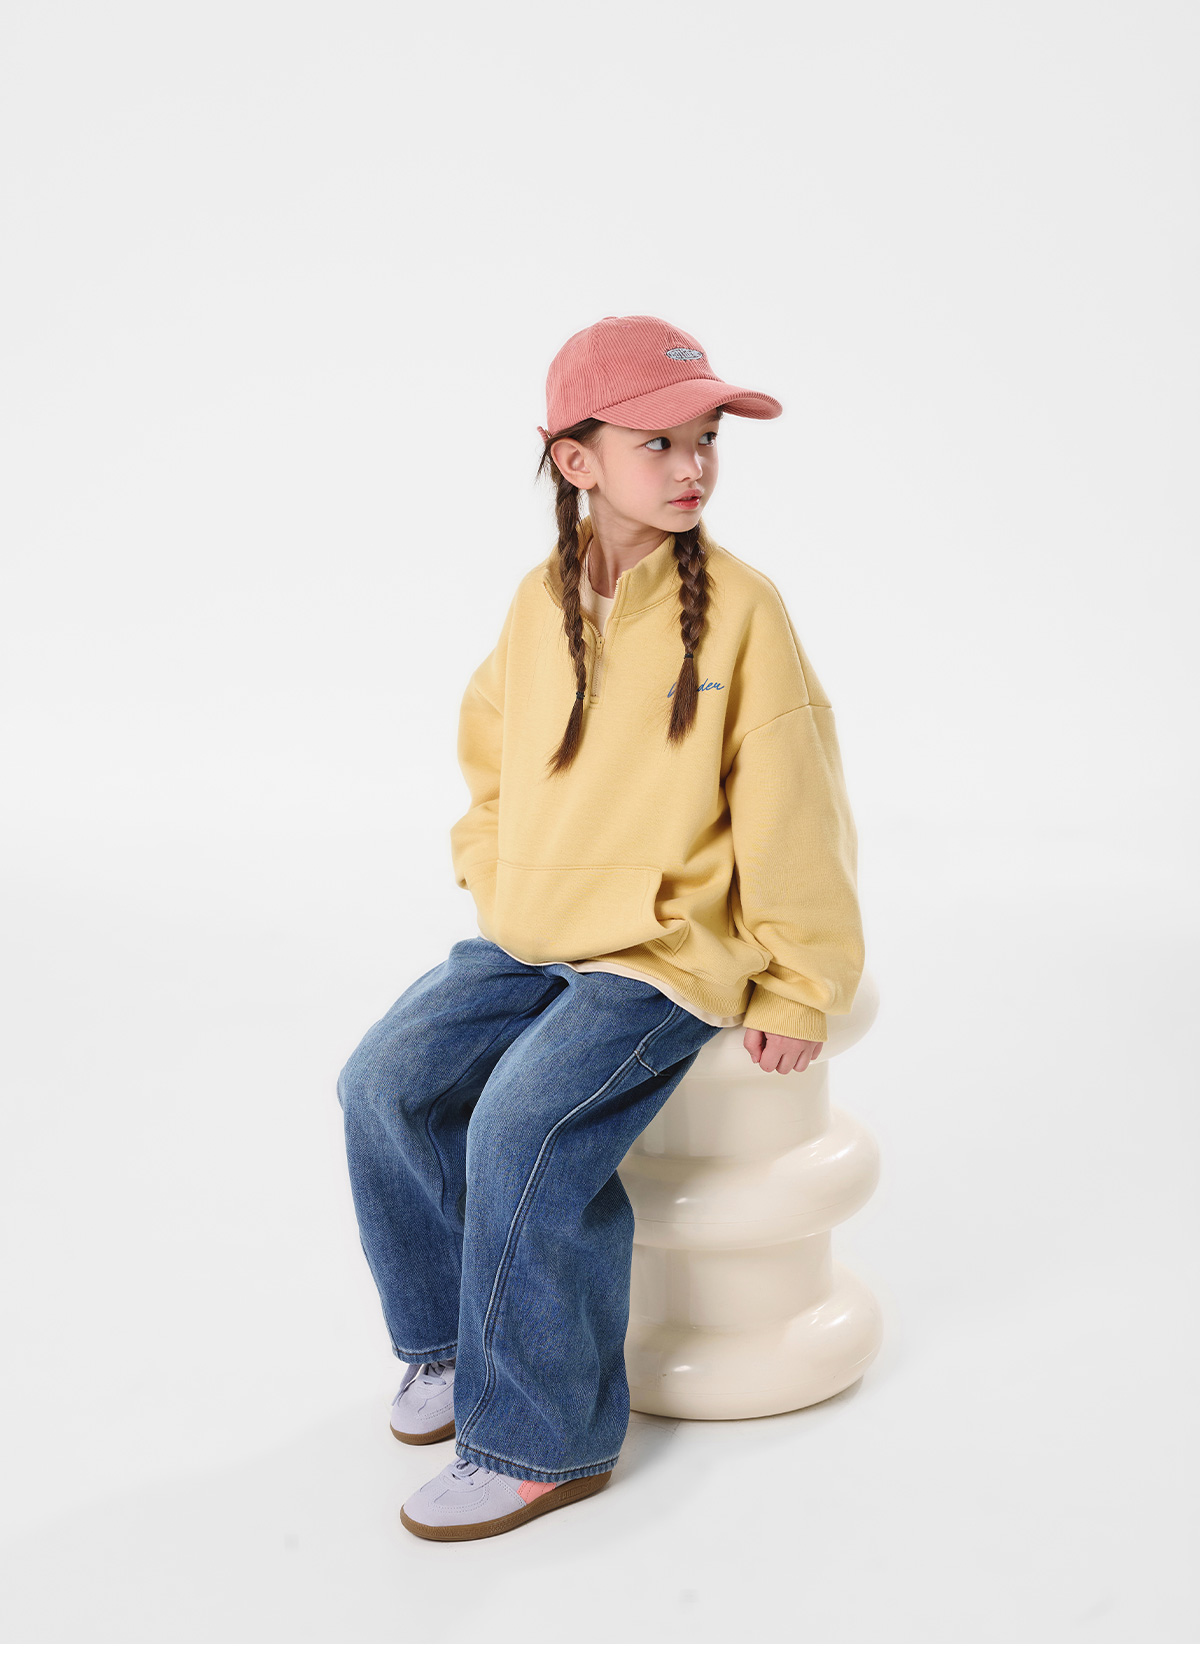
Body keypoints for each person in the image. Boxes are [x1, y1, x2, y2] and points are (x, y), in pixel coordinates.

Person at [337, 314, 866, 1543]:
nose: (693, 466)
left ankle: (542, 1441)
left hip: (664, 951)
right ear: (577, 459)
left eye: (706, 439)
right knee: (383, 1080)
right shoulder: (538, 604)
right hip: (534, 930)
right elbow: (489, 758)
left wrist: (801, 981)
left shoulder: (744, 611)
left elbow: (796, 803)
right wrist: (494, 869)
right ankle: (448, 1345)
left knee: (522, 1125)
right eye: (658, 442)